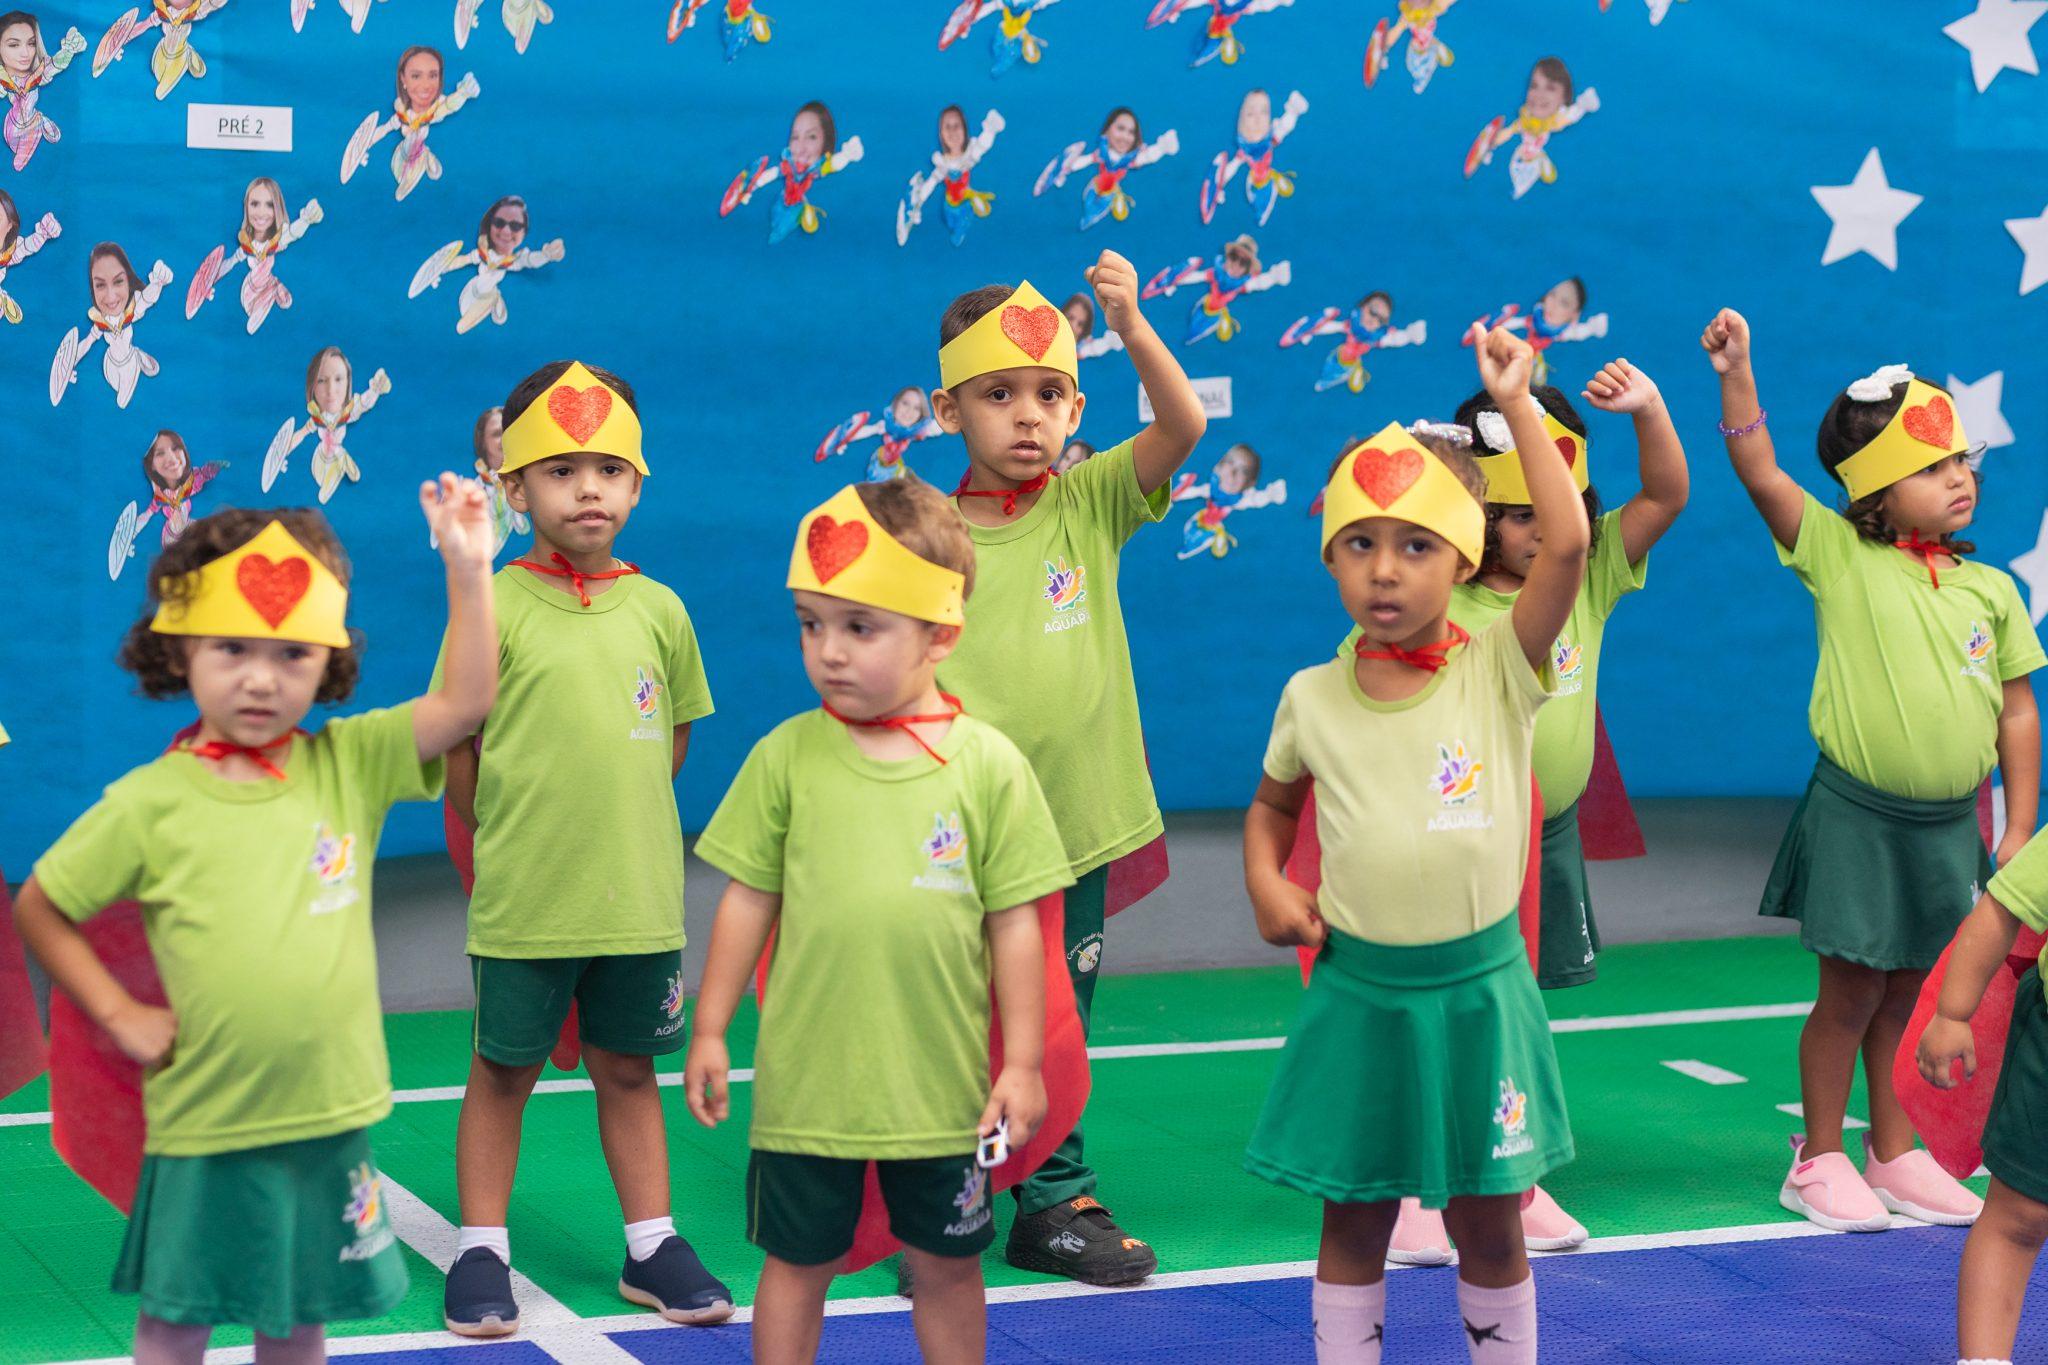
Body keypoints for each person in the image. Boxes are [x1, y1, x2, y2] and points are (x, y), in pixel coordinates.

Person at [13, 485, 499, 1365]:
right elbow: (42, 905)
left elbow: (465, 704)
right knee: (177, 1318)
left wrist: (469, 568)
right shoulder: (150, 801)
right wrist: (117, 1013)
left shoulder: (350, 763)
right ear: (180, 649)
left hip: (327, 1113)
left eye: (291, 652)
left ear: (327, 662)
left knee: (299, 1314)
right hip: (205, 1120)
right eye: (232, 647)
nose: (261, 677)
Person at [1243, 325, 1588, 1364]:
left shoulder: (1500, 666)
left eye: (1415, 545)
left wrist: (1518, 404)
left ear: (1467, 556)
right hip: (1359, 995)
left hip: (1481, 994)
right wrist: (1265, 880)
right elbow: (1271, 807)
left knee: (1490, 1221)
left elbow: (1569, 546)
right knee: (1355, 1219)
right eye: (1359, 544)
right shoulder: (1310, 695)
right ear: (1328, 557)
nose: (1384, 571)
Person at [686, 476, 1070, 1364]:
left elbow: (1016, 925)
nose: (828, 651)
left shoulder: (988, 768)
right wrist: (709, 1027)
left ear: (941, 633)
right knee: (796, 1266)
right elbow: (748, 897)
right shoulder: (785, 757)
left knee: (947, 1268)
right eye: (811, 623)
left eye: (860, 626)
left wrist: (1020, 1062)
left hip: (943, 1099)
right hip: (805, 1096)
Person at [1705, 308, 2042, 1232]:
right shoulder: (1839, 554)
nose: (1960, 477)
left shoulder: (1992, 590)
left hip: (1949, 829)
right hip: (1858, 820)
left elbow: (2017, 708)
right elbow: (1761, 471)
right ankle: (1817, 1157)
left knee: (1910, 989)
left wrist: (2017, 824)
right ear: (1874, 496)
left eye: (1962, 460)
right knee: (1851, 991)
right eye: (1932, 467)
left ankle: (1893, 1153)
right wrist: (1737, 373)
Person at [439, 360, 730, 1336]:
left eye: (609, 468)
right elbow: (462, 757)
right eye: (561, 470)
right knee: (502, 1071)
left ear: (637, 484)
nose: (588, 488)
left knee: (628, 1069)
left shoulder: (662, 610)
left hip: (637, 902)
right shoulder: (490, 608)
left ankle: (652, 1244)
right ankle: (482, 1248)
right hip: (526, 903)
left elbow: (670, 743)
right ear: (514, 488)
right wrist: (521, 837)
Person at [930, 255, 1205, 1284]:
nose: (1027, 416)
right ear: (948, 409)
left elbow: (1183, 426)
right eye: (998, 394)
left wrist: (1131, 325)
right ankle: (938, 1193)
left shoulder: (1088, 503)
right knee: (952, 1017)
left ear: (1077, 409)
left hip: (1074, 826)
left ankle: (1051, 1201)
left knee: (1055, 1024)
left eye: (1049, 395)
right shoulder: (920, 531)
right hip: (957, 836)